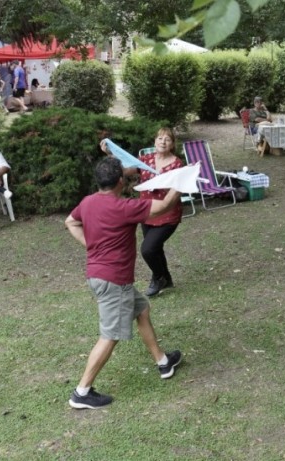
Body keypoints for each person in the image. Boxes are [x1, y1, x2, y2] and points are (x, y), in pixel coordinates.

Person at [64, 157, 184, 410]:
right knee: (110, 336)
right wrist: (180, 182)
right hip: (114, 282)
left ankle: (163, 362)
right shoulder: (124, 207)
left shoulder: (88, 202)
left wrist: (91, 246)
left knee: (141, 309)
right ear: (120, 181)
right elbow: (163, 207)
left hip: (102, 277)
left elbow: (71, 222)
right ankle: (81, 392)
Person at [100, 128, 184, 297]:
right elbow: (123, 170)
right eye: (160, 138)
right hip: (146, 212)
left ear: (172, 144)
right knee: (155, 248)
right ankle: (166, 278)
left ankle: (158, 277)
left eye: (167, 139)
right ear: (155, 142)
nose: (163, 142)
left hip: (168, 213)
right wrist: (110, 154)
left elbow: (180, 188)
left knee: (148, 249)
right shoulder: (145, 160)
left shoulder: (177, 164)